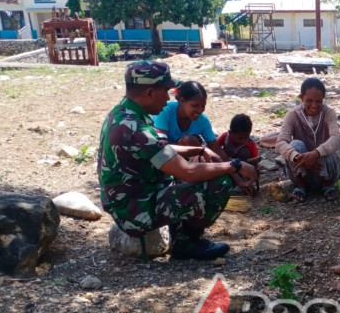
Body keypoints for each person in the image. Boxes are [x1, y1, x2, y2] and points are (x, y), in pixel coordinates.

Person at [97, 61, 257, 260]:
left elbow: (159, 148)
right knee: (219, 182)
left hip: (127, 200)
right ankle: (187, 242)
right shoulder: (136, 129)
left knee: (202, 174)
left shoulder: (121, 114)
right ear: (149, 92)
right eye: (165, 91)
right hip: (134, 210)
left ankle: (178, 228)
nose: (168, 98)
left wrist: (198, 148)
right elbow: (187, 171)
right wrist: (235, 165)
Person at [275, 77, 340, 202]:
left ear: (323, 99)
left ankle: (326, 186)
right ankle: (301, 187)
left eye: (318, 101)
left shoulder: (328, 113)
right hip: (301, 170)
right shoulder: (293, 114)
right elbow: (280, 142)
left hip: (326, 170)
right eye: (309, 101)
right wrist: (297, 157)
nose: (314, 105)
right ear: (301, 98)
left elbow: (337, 138)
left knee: (325, 147)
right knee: (295, 144)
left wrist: (316, 153)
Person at [152, 81, 223, 156]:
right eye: (194, 105)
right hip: (158, 154)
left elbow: (216, 149)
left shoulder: (203, 121)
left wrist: (231, 165)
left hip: (180, 156)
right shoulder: (165, 111)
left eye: (203, 106)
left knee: (191, 141)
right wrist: (200, 150)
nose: (200, 110)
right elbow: (162, 145)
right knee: (189, 140)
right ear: (182, 101)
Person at [217, 114, 261, 194]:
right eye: (240, 138)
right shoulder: (225, 137)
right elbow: (214, 149)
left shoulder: (250, 145)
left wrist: (254, 175)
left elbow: (255, 162)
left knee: (245, 152)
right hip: (225, 164)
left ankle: (243, 183)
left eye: (246, 137)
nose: (243, 141)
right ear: (230, 133)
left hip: (242, 170)